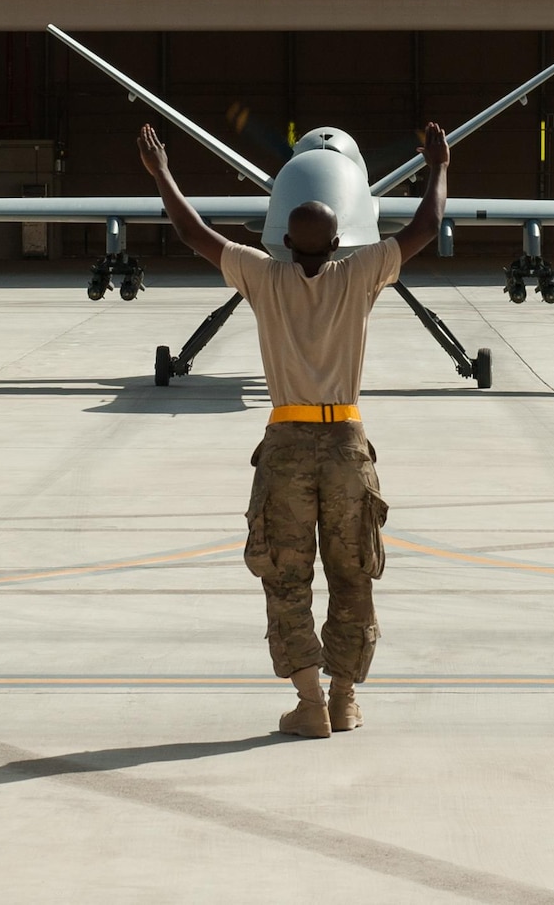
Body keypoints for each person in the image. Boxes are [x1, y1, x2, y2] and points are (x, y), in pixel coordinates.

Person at [137, 121, 450, 738]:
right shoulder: (360, 276)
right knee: (353, 571)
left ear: (282, 239)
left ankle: (309, 703)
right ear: (339, 244)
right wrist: (438, 166)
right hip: (346, 445)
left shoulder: (264, 277)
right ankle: (345, 698)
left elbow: (193, 232)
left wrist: (162, 174)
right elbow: (424, 228)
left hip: (285, 443)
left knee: (286, 574)